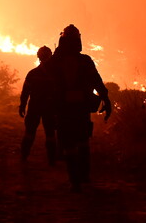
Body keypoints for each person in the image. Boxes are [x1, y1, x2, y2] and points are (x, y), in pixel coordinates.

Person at [47, 24, 111, 192]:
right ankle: (83, 176)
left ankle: (75, 180)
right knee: (82, 142)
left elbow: (48, 87)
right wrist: (106, 99)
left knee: (70, 144)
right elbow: (97, 82)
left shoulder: (54, 62)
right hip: (80, 109)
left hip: (64, 109)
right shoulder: (85, 61)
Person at [19, 45, 58, 165]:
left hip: (35, 106)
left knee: (29, 132)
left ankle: (24, 156)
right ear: (50, 56)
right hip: (50, 107)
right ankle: (52, 160)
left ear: (38, 57)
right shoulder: (56, 74)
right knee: (50, 134)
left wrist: (22, 105)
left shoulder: (32, 73)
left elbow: (25, 92)